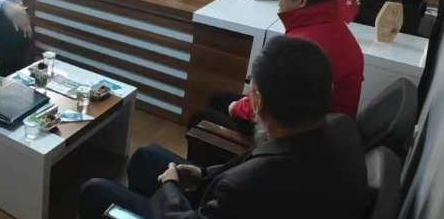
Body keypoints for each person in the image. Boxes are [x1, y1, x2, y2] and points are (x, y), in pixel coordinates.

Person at [79, 36, 371, 219]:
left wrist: (170, 186)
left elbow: (247, 181)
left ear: (257, 101)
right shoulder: (341, 126)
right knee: (146, 156)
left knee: (95, 191)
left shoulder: (246, 185)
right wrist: (204, 175)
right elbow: (257, 165)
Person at [189, 0, 365, 133]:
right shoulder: (335, 28)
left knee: (200, 119)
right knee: (218, 99)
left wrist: (237, 107)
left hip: (300, 136)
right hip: (326, 126)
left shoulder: (302, 48)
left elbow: (271, 108)